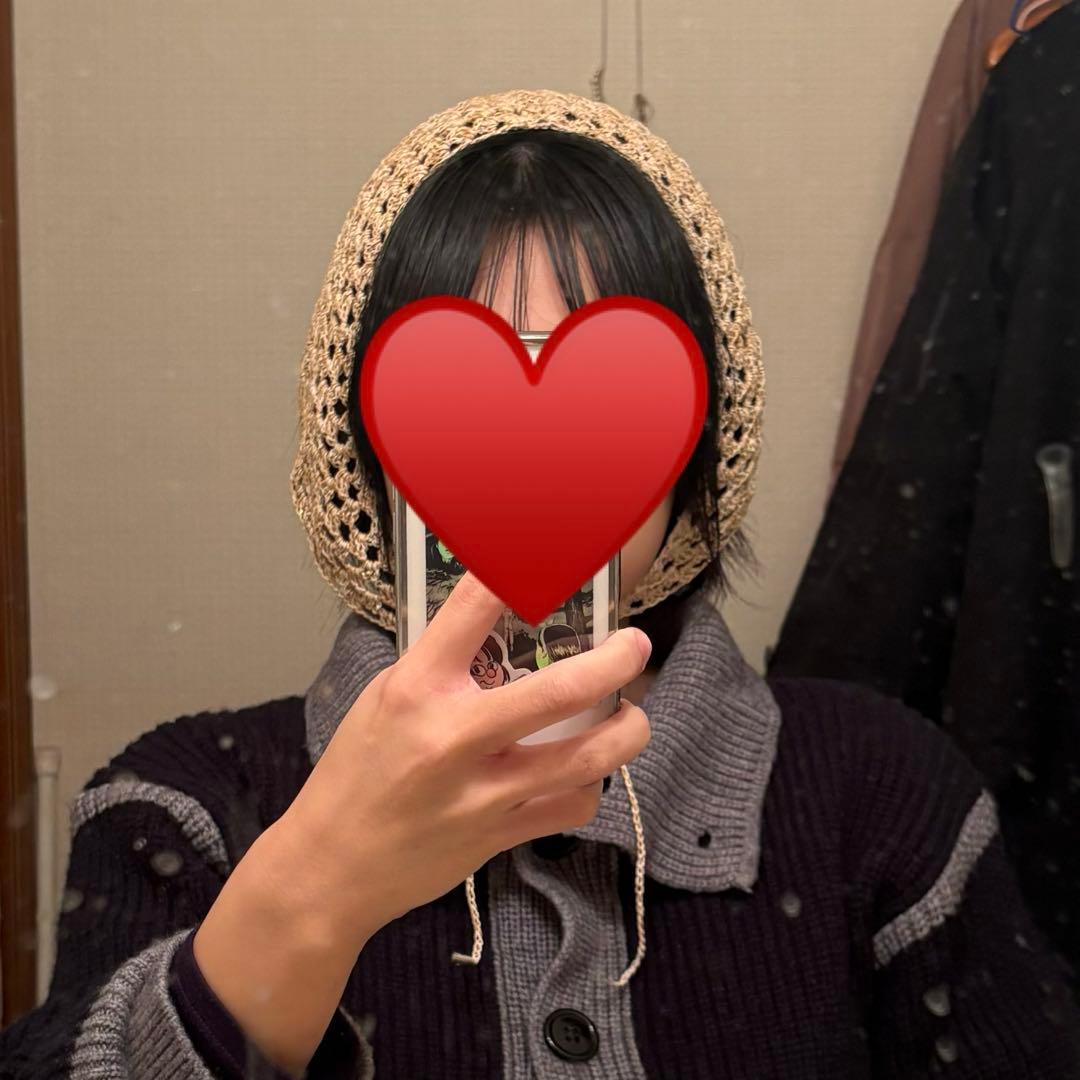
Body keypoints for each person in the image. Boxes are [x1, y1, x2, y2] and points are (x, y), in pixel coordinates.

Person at [2, 88, 1078, 1080]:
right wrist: (312, 897)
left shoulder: (891, 797)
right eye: (455, 406)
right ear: (364, 449)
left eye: (605, 403)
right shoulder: (176, 810)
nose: (528, 475)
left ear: (693, 450)